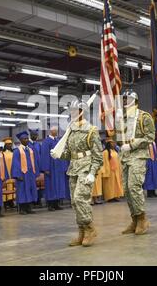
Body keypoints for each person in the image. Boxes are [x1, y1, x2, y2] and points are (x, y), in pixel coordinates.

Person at [51, 98, 103, 247]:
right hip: (73, 169)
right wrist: (58, 154)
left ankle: (89, 228)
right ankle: (81, 231)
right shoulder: (71, 130)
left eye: (75, 110)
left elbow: (98, 156)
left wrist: (93, 172)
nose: (72, 113)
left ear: (82, 112)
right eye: (72, 111)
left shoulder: (91, 130)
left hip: (86, 169)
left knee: (81, 198)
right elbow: (69, 153)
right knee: (74, 202)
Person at [118, 90, 155, 235]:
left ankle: (142, 219)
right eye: (124, 99)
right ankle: (134, 219)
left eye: (128, 98)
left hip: (138, 155)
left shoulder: (144, 116)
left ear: (135, 100)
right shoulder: (123, 118)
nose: (125, 101)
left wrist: (133, 145)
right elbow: (119, 137)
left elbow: (150, 136)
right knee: (127, 190)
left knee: (134, 186)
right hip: (126, 157)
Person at [11, 131, 39, 215]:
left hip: (30, 174)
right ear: (20, 140)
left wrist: (35, 173)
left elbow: (34, 162)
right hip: (22, 175)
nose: (26, 140)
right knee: (22, 191)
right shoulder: (17, 151)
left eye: (27, 138)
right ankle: (22, 209)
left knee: (30, 190)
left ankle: (29, 208)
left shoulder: (30, 150)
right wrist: (17, 175)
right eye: (24, 139)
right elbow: (15, 163)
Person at [40, 126, 67, 211]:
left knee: (58, 186)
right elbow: (44, 156)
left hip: (59, 168)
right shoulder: (46, 142)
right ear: (50, 131)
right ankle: (50, 205)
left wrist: (64, 166)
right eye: (54, 130)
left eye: (56, 130)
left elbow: (62, 154)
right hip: (51, 168)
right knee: (51, 186)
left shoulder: (58, 141)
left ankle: (56, 204)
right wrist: (46, 168)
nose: (55, 132)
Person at [101, 138, 123, 202]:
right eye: (112, 143)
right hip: (110, 171)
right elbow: (105, 162)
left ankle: (116, 196)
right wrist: (106, 171)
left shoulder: (115, 151)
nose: (114, 144)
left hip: (116, 170)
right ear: (108, 144)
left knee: (116, 184)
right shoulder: (105, 152)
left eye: (114, 143)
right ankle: (110, 197)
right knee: (109, 185)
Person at [29, 129, 43, 208]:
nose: (35, 137)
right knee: (30, 186)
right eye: (34, 135)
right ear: (31, 136)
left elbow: (40, 157)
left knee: (37, 185)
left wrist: (41, 169)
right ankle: (31, 201)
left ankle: (38, 200)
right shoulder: (28, 144)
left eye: (36, 135)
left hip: (37, 168)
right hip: (30, 169)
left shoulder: (38, 145)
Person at [2, 137, 16, 209]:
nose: (9, 145)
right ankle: (5, 202)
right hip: (6, 171)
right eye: (8, 144)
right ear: (5, 145)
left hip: (12, 171)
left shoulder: (14, 153)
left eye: (10, 144)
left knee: (12, 186)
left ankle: (11, 202)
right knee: (5, 187)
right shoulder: (2, 153)